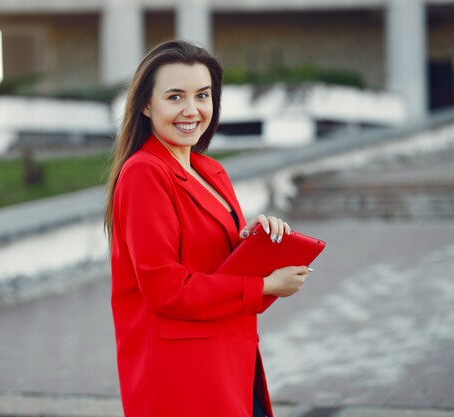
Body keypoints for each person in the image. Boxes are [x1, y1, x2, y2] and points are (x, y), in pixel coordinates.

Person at [105, 40, 311, 417]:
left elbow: (218, 269)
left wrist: (251, 243)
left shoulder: (209, 170)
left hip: (230, 358)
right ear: (146, 105)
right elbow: (166, 288)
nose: (191, 110)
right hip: (182, 374)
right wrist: (265, 285)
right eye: (174, 97)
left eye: (202, 95)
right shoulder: (144, 173)